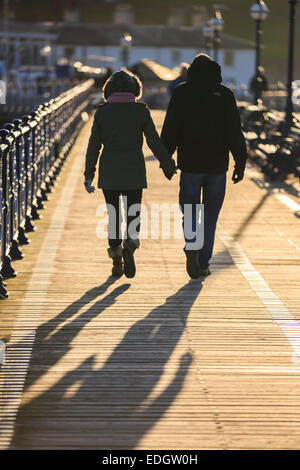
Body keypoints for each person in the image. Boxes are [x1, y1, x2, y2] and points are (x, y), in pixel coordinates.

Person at [161, 53, 247, 279]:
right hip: (217, 166)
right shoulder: (225, 94)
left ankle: (191, 243)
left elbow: (171, 128)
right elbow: (234, 131)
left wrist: (166, 159)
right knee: (209, 218)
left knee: (189, 211)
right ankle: (203, 262)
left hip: (190, 164)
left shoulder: (181, 92)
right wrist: (240, 161)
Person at [84, 69, 176, 278]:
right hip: (134, 170)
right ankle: (130, 244)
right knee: (133, 213)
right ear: (136, 90)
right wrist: (168, 165)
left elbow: (93, 147)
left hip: (109, 173)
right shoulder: (141, 112)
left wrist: (88, 174)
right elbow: (154, 141)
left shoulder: (101, 113)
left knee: (114, 215)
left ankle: (117, 259)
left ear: (108, 91)